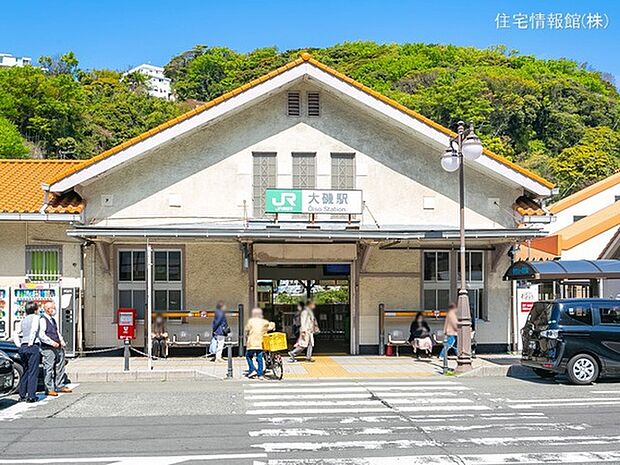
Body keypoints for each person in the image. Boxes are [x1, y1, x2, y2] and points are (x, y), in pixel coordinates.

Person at [38, 302, 72, 397]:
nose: (54, 309)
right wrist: (52, 342)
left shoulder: (52, 320)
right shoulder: (43, 320)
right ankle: (49, 388)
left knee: (60, 366)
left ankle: (59, 385)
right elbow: (41, 335)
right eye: (53, 308)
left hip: (58, 347)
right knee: (49, 368)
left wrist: (61, 341)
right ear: (48, 309)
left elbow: (57, 332)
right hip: (48, 348)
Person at [12, 301, 41, 402]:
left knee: (25, 370)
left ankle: (22, 394)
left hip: (22, 347)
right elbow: (34, 330)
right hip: (32, 346)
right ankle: (31, 396)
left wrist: (19, 344)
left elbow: (15, 333)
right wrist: (31, 342)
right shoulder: (36, 318)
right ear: (35, 309)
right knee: (33, 371)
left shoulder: (23, 320)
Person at [244, 307, 275, 380]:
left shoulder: (250, 321)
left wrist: (247, 335)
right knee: (259, 358)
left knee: (248, 356)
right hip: (260, 343)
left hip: (251, 343)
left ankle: (252, 370)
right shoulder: (264, 322)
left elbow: (246, 330)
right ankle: (260, 374)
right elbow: (271, 326)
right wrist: (272, 325)